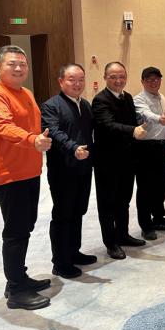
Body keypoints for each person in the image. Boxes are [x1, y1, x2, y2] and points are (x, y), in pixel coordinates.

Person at [0, 45, 52, 310]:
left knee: (25, 226)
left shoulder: (26, 93)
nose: (19, 68)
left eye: (23, 64)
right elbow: (4, 127)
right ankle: (16, 291)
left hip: (29, 172)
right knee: (15, 232)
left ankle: (18, 278)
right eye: (12, 64)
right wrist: (33, 140)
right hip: (9, 175)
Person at [41, 63, 96, 279]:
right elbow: (53, 132)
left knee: (78, 211)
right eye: (72, 79)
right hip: (62, 170)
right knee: (63, 214)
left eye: (81, 79)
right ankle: (61, 262)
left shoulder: (86, 105)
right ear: (61, 81)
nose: (77, 84)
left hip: (84, 168)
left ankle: (74, 252)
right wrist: (74, 149)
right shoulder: (51, 106)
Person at [92, 62, 148, 260]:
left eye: (122, 76)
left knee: (124, 200)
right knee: (107, 203)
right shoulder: (100, 100)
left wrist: (141, 125)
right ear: (105, 77)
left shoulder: (127, 97)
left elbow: (132, 122)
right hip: (107, 161)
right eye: (113, 76)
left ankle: (122, 235)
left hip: (127, 159)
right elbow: (108, 125)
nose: (118, 80)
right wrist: (133, 130)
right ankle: (111, 243)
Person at [133, 67, 165, 241]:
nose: (154, 82)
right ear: (142, 81)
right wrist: (159, 119)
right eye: (149, 80)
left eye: (157, 79)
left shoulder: (162, 96)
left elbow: (164, 120)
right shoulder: (138, 99)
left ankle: (158, 218)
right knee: (145, 188)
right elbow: (146, 114)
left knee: (160, 185)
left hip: (162, 147)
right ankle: (146, 225)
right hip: (146, 148)